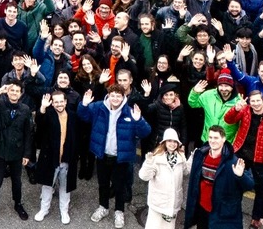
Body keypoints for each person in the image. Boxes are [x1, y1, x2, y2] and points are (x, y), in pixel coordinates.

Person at [81, 84, 152, 229]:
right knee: (103, 184)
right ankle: (103, 207)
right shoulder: (98, 107)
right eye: (112, 95)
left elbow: (145, 132)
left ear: (123, 97)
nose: (115, 98)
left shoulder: (130, 112)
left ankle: (119, 211)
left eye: (118, 96)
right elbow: (83, 116)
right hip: (102, 155)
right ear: (108, 95)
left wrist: (139, 120)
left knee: (119, 187)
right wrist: (84, 104)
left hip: (121, 158)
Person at [0, 81, 34, 223]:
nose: (14, 93)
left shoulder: (25, 109)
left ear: (21, 93)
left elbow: (28, 134)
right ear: (7, 92)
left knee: (16, 182)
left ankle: (18, 204)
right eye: (12, 90)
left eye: (17, 91)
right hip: (1, 150)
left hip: (17, 152)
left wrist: (27, 154)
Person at [183, 125, 253, 229]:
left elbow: (250, 185)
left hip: (221, 212)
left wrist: (240, 176)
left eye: (216, 138)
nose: (212, 141)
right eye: (210, 137)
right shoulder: (200, 155)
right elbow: (194, 182)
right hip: (202, 208)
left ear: (224, 139)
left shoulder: (233, 161)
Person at [33, 89, 79, 224]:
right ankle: (44, 209)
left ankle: (64, 211)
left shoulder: (73, 116)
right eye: (56, 102)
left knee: (65, 187)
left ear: (65, 102)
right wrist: (42, 107)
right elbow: (39, 124)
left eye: (61, 101)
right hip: (50, 159)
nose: (59, 104)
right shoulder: (48, 115)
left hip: (66, 159)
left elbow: (77, 137)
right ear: (52, 103)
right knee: (47, 186)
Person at [139, 128, 188, 229]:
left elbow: (186, 172)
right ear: (164, 142)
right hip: (158, 203)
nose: (172, 144)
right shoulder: (156, 158)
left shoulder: (181, 157)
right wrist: (148, 163)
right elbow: (144, 176)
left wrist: (191, 159)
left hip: (172, 205)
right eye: (169, 140)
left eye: (175, 141)